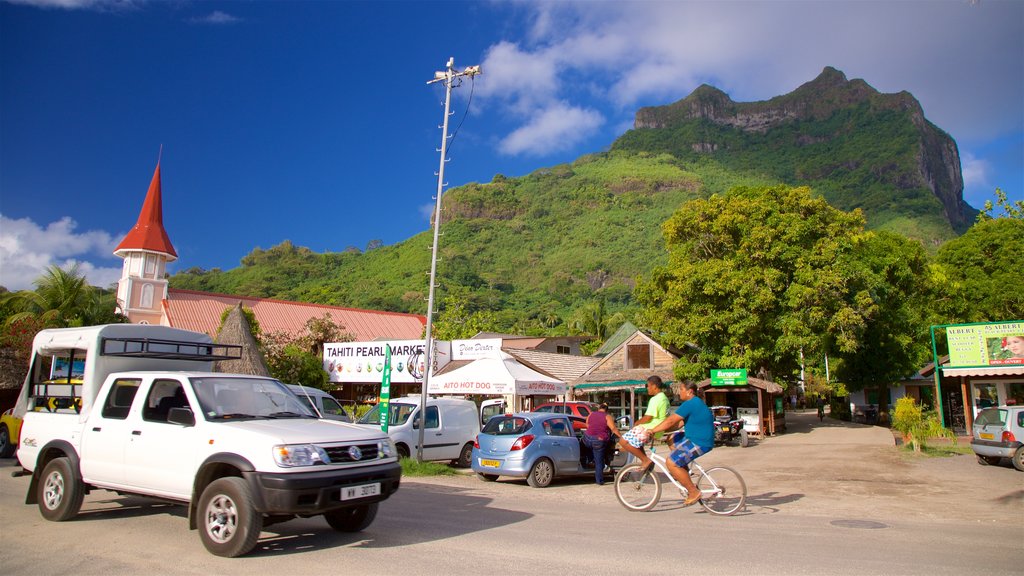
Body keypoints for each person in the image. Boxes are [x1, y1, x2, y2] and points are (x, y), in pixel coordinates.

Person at [647, 381, 714, 507]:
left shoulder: (690, 404)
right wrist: (662, 432)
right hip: (696, 437)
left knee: (670, 462)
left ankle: (693, 491)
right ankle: (684, 470)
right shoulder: (695, 403)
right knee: (671, 438)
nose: (679, 392)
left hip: (699, 441)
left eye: (682, 389)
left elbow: (671, 420)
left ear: (689, 392)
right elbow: (678, 424)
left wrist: (653, 430)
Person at [617, 375, 670, 472]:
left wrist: (637, 423)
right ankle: (646, 460)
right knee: (636, 443)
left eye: (648, 386)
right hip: (659, 429)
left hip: (651, 428)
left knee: (623, 441)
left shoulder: (655, 399)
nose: (647, 389)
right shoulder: (664, 398)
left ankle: (645, 460)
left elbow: (648, 417)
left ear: (654, 386)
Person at [582, 403, 617, 485]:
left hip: (587, 438)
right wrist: (622, 437)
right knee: (599, 462)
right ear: (606, 410)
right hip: (599, 440)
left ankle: (589, 460)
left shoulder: (591, 414)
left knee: (583, 444)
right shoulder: (607, 416)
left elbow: (587, 424)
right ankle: (599, 481)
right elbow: (614, 429)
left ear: (599, 409)